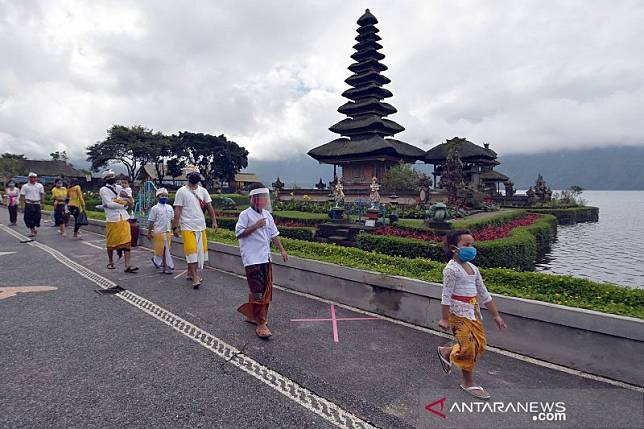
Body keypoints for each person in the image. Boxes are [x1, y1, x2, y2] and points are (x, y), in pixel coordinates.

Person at [436, 230, 507, 400]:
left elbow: (484, 294)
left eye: (472, 244)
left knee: (480, 345)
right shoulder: (451, 270)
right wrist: (445, 318)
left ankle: (447, 352)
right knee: (469, 348)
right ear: (454, 248)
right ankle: (468, 383)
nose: (471, 248)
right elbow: (446, 295)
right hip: (458, 315)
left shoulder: (473, 269)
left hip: (473, 312)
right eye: (466, 245)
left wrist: (496, 316)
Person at [235, 183, 288, 339]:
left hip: (265, 257)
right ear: (252, 199)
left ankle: (252, 316)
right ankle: (261, 323)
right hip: (252, 259)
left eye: (264, 198)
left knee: (264, 289)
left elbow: (274, 234)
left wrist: (282, 250)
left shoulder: (267, 215)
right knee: (259, 292)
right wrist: (255, 226)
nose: (262, 201)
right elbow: (239, 234)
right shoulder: (245, 215)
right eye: (259, 198)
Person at [172, 167, 217, 289]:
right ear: (188, 177)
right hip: (187, 226)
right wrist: (175, 227)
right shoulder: (181, 191)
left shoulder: (203, 191)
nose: (194, 176)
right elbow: (178, 210)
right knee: (192, 251)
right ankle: (195, 277)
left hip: (200, 226)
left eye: (196, 174)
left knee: (198, 252)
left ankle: (189, 272)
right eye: (192, 174)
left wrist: (214, 221)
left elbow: (209, 207)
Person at [99, 170, 138, 273]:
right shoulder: (103, 190)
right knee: (111, 243)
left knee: (127, 242)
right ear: (105, 179)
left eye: (112, 176)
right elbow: (109, 204)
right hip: (113, 219)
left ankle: (127, 266)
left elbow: (129, 198)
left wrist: (128, 201)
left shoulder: (119, 188)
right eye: (109, 177)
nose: (111, 178)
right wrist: (124, 204)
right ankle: (111, 261)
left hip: (124, 218)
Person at [147, 188, 174, 274]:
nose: (164, 197)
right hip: (159, 232)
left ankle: (157, 261)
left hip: (168, 232)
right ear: (158, 197)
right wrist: (149, 232)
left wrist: (176, 228)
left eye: (166, 196)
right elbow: (151, 221)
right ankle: (165, 267)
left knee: (166, 249)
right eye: (162, 196)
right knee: (162, 249)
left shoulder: (170, 207)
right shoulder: (154, 208)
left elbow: (172, 220)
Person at [19, 172, 45, 237]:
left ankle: (34, 228)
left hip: (37, 203)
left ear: (36, 178)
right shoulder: (25, 186)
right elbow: (22, 196)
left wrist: (42, 203)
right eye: (31, 177)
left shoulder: (40, 185)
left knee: (37, 217)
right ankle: (32, 230)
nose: (33, 179)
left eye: (34, 177)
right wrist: (22, 206)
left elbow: (42, 195)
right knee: (28, 218)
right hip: (28, 203)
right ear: (28, 178)